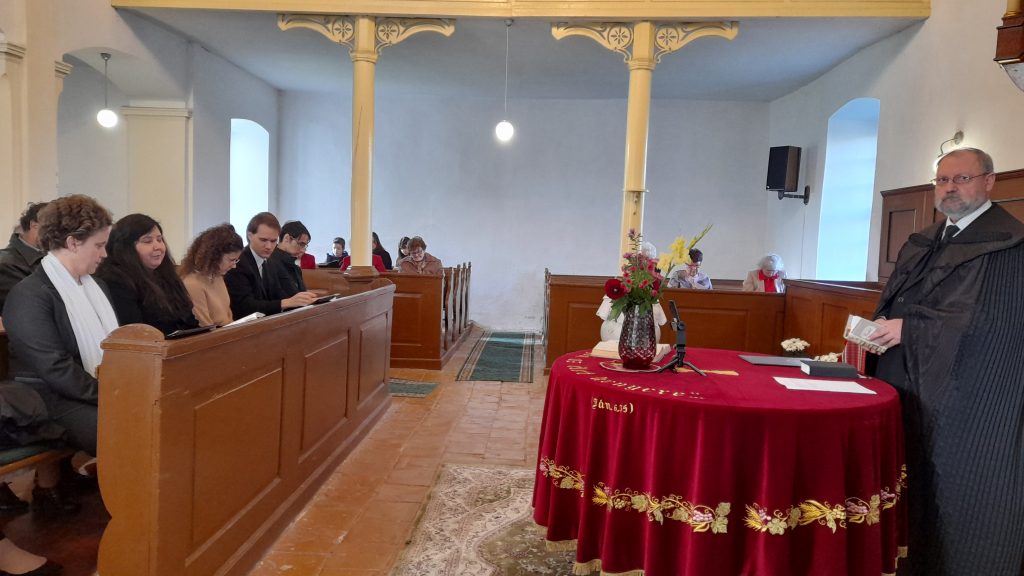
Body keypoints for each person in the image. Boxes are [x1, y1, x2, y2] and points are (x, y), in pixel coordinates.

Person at [867, 148, 1023, 575]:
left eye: (961, 179)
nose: (950, 188)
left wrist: (910, 329)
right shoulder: (925, 240)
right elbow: (902, 299)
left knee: (953, 492)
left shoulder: (1009, 245)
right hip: (908, 383)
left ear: (989, 181)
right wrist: (879, 323)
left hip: (964, 399)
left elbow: (994, 325)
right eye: (942, 180)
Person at [4, 195, 116, 460]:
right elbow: (55, 368)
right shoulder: (29, 295)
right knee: (127, 429)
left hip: (88, 389)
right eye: (99, 245)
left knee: (157, 416)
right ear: (73, 242)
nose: (104, 254)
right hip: (47, 398)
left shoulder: (97, 287)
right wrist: (112, 395)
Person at [95, 214, 198, 335]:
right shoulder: (115, 281)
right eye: (148, 241)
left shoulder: (166, 276)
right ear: (127, 248)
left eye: (159, 239)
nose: (158, 247)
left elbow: (189, 320)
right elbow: (134, 331)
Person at [224, 212, 317, 319]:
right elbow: (244, 306)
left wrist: (302, 299)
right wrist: (285, 303)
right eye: (263, 240)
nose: (269, 246)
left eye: (273, 241)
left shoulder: (269, 262)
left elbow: (275, 295)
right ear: (250, 236)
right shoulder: (238, 262)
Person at [180, 224, 244, 327]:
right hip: (214, 336)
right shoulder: (192, 284)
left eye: (236, 260)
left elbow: (228, 316)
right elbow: (205, 327)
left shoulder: (217, 276)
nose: (234, 266)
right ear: (215, 256)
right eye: (231, 260)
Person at [0, 201, 48, 311]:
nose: (58, 235)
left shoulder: (49, 257)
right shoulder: (6, 265)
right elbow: (37, 306)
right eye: (53, 228)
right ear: (34, 226)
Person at [272, 221, 311, 295]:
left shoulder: (296, 268)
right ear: (287, 238)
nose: (303, 250)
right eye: (301, 244)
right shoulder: (269, 263)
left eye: (305, 246)